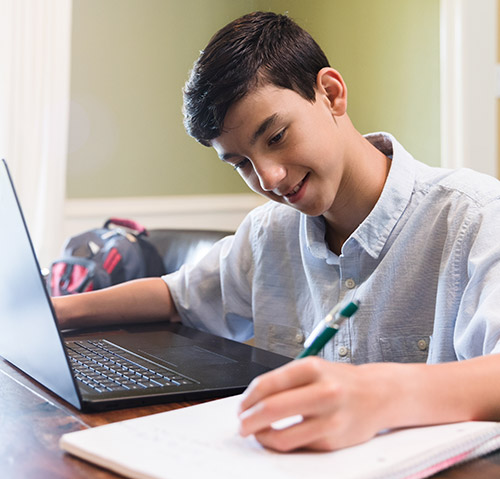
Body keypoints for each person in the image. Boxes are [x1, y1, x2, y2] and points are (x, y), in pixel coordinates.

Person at [54, 11, 500, 452]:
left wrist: (379, 394)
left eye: (277, 136)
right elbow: (178, 297)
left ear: (330, 93)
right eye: (242, 163)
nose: (268, 177)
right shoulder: (270, 232)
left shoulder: (474, 217)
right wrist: (56, 312)